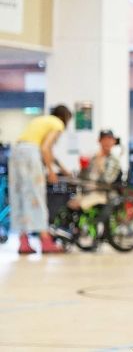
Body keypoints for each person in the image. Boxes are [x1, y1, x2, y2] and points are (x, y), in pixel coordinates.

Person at [9, 104, 72, 254]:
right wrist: (51, 172)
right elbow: (45, 148)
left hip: (16, 152)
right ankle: (45, 241)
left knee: (19, 198)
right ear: (66, 117)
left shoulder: (42, 120)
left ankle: (23, 242)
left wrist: (62, 169)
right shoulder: (58, 124)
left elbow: (47, 151)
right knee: (37, 197)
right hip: (31, 155)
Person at [68, 130, 122, 212]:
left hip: (103, 193)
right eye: (104, 139)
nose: (107, 142)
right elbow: (83, 178)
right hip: (87, 191)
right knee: (69, 203)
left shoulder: (113, 160)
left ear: (113, 142)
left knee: (80, 204)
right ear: (99, 141)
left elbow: (107, 181)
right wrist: (83, 168)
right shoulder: (93, 157)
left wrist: (101, 166)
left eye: (110, 139)